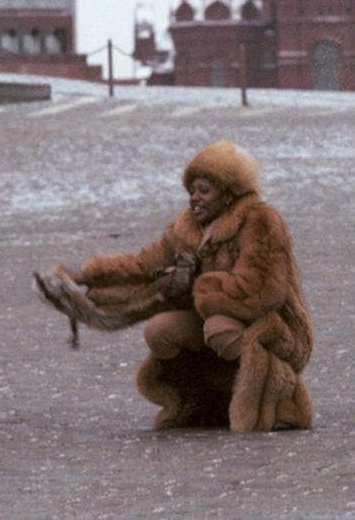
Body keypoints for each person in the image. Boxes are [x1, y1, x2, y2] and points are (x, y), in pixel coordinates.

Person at [36, 140, 314, 433]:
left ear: (229, 193)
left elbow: (262, 291)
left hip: (274, 328)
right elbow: (144, 264)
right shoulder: (187, 226)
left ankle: (279, 400)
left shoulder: (260, 219)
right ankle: (204, 401)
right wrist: (88, 276)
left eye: (204, 190)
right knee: (161, 331)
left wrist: (198, 285)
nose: (195, 198)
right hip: (211, 319)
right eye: (191, 191)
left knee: (219, 327)